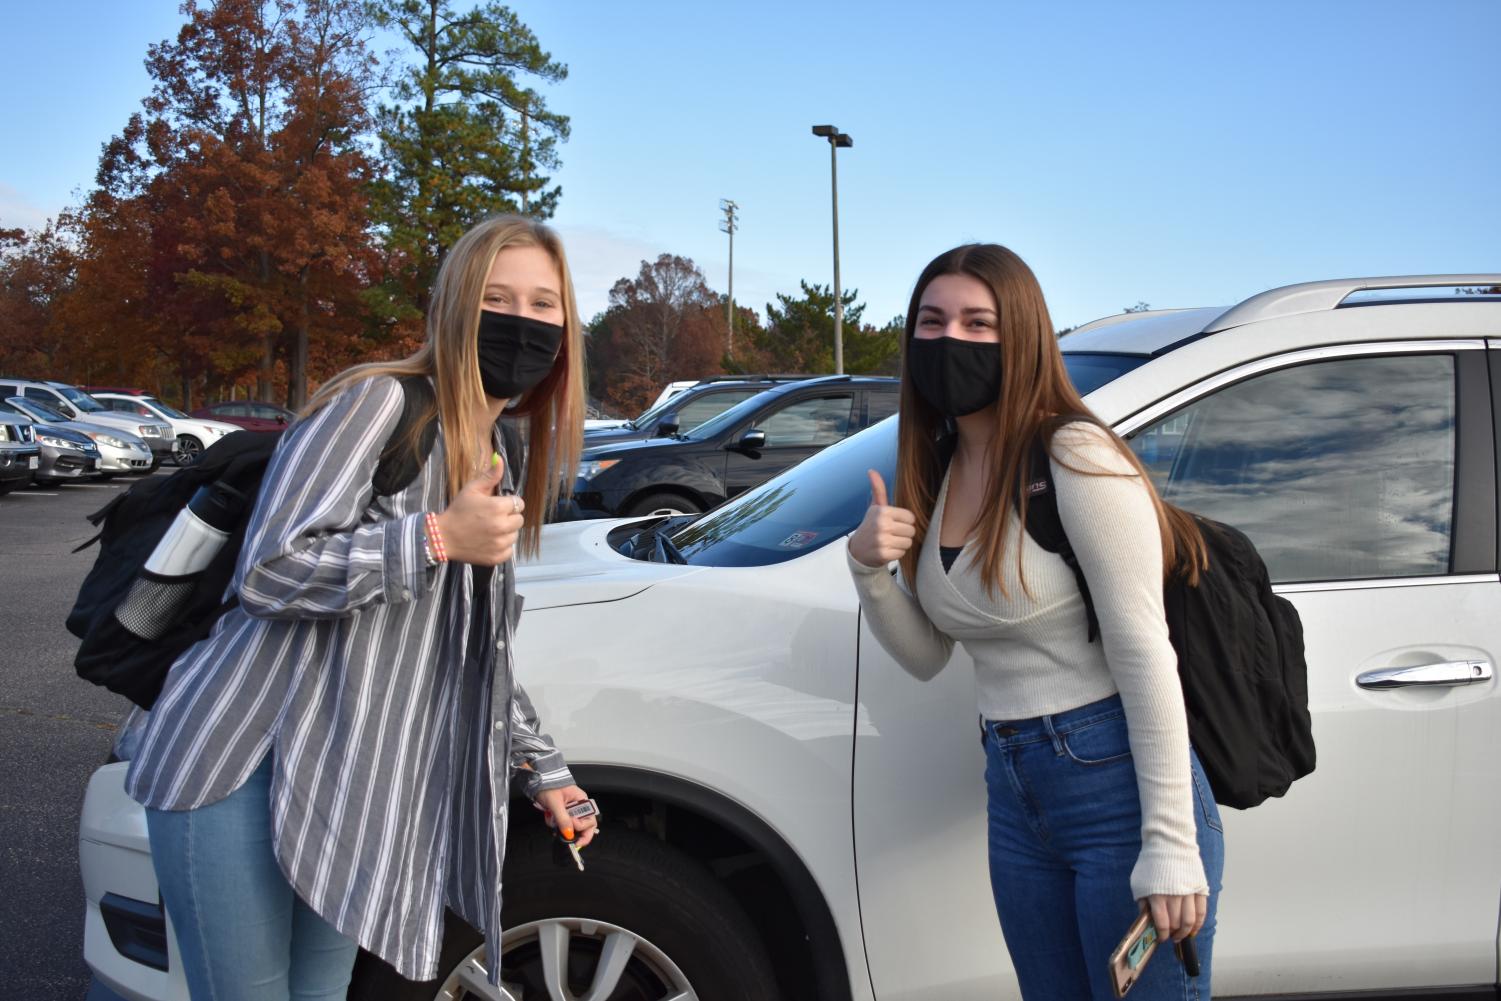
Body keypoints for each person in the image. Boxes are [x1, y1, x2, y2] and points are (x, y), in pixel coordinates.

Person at [121, 215, 598, 1000]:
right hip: (241, 764)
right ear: (452, 308)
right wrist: (438, 535)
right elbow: (271, 572)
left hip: (353, 788)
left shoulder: (501, 453)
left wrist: (544, 771)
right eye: (497, 296)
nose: (523, 320)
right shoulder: (378, 405)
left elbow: (478, 647)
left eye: (544, 305)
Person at [846, 244, 1224, 1000]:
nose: (950, 338)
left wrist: (1170, 845)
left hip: (1114, 778)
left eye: (977, 321)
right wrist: (867, 570)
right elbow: (927, 655)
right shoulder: (942, 466)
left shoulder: (1075, 454)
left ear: (1020, 335)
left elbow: (1145, 650)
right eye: (931, 319)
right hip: (1014, 790)